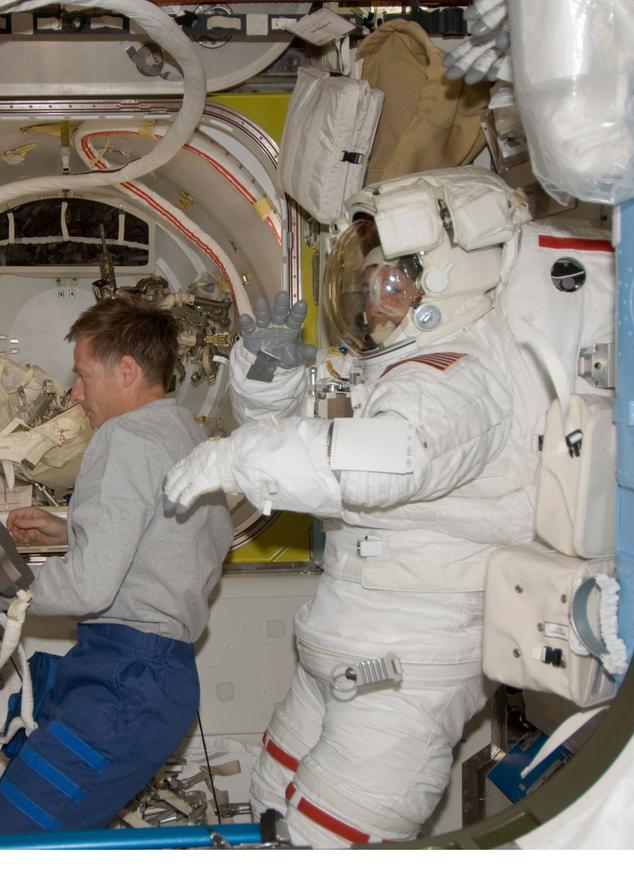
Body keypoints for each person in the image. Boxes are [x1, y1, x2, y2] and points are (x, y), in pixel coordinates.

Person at [164, 168, 543, 846]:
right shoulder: (398, 369)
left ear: (448, 285)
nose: (373, 303)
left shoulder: (457, 381)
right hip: (344, 644)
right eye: (368, 285)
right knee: (269, 804)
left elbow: (374, 463)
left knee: (321, 840)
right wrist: (268, 380)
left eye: (392, 285)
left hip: (405, 666)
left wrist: (236, 457)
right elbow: (322, 428)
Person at [0, 297, 234, 834]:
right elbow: (195, 539)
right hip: (159, 678)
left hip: (125, 681)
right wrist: (73, 530)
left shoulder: (124, 435)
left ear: (128, 371)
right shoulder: (187, 434)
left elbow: (90, 586)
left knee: (5, 844)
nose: (75, 393)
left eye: (83, 376)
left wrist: (1, 591)